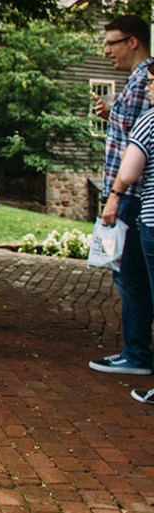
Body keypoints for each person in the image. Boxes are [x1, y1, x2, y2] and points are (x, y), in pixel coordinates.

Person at [90, 15, 154, 376]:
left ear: (133, 41)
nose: (107, 51)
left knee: (130, 276)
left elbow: (144, 138)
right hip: (129, 194)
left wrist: (116, 195)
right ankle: (136, 351)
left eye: (112, 42)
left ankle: (137, 354)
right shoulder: (135, 82)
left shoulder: (145, 79)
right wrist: (112, 113)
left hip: (132, 194)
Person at [101, 62, 154, 403]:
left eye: (152, 83)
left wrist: (115, 196)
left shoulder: (150, 120)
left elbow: (130, 169)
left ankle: (138, 356)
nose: (147, 89)